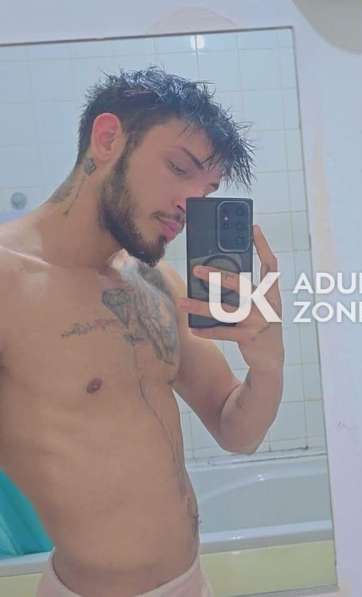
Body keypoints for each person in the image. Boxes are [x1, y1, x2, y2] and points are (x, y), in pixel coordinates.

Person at [0, 66, 284, 596]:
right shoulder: (7, 283)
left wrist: (268, 364)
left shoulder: (157, 283)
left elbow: (238, 432)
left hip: (190, 582)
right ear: (108, 138)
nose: (189, 205)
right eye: (179, 168)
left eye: (207, 190)